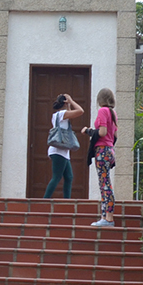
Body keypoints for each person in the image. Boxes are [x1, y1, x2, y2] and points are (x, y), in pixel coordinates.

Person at [83, 88, 117, 226]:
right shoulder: (113, 113)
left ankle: (108, 218)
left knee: (104, 184)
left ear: (100, 100)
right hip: (110, 150)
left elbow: (102, 132)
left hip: (102, 151)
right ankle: (105, 216)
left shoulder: (103, 111)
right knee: (105, 183)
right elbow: (115, 135)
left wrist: (88, 131)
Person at [44, 93, 84, 198]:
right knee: (57, 177)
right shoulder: (61, 114)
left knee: (69, 177)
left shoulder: (59, 115)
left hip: (63, 151)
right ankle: (44, 200)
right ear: (65, 104)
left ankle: (67, 201)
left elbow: (71, 114)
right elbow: (80, 111)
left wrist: (69, 105)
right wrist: (71, 101)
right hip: (58, 151)